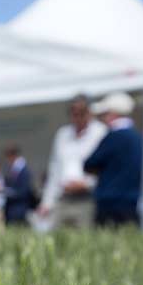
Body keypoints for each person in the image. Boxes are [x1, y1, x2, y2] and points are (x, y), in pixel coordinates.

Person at [38, 95, 108, 228]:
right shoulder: (63, 134)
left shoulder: (101, 133)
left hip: (87, 199)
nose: (77, 117)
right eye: (74, 113)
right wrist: (46, 203)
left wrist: (87, 184)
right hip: (63, 197)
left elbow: (105, 167)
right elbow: (55, 169)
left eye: (81, 113)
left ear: (89, 112)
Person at [84, 92, 143, 227]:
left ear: (113, 114)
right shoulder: (137, 137)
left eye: (104, 114)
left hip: (109, 202)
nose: (103, 119)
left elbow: (90, 163)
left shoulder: (113, 136)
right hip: (131, 201)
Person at [2, 145, 35, 225]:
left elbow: (23, 191)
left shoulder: (23, 171)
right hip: (13, 209)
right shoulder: (14, 169)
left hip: (19, 208)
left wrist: (6, 191)